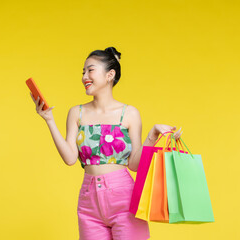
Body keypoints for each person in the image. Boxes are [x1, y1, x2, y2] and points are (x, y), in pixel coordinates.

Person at [30, 47, 182, 240]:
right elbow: (69, 158)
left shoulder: (129, 113)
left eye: (90, 70)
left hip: (124, 199)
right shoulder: (77, 113)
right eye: (83, 72)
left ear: (110, 74)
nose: (84, 76)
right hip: (88, 202)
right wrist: (49, 120)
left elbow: (134, 165)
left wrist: (152, 136)